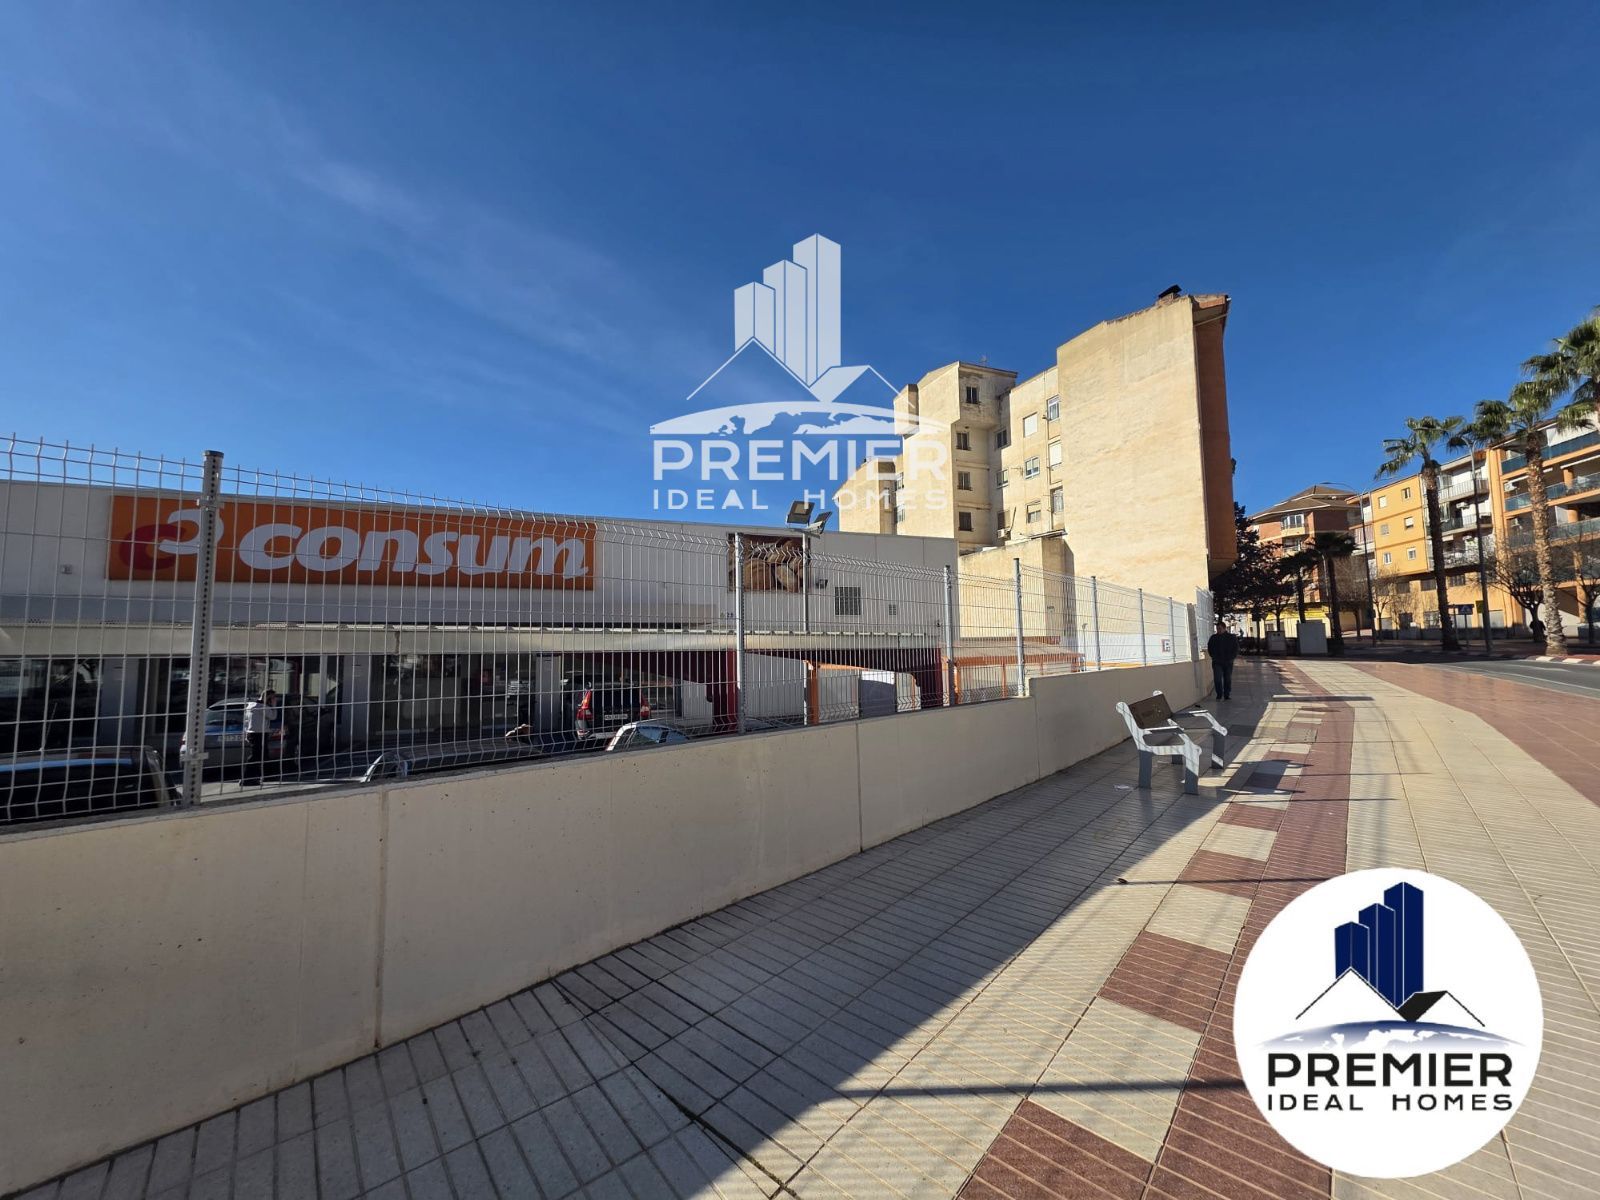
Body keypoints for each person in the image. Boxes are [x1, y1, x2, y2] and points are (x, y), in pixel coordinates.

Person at [242, 688, 280, 784]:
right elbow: (273, 717)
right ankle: (247, 779)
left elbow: (246, 721)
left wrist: (246, 733)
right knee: (255, 756)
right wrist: (274, 706)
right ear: (268, 697)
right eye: (273, 698)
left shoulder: (251, 705)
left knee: (264, 755)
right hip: (259, 733)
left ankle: (267, 776)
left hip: (252, 732)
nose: (274, 700)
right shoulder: (263, 707)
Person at [1207, 620, 1239, 700]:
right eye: (1217, 629)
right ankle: (1219, 694)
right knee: (1217, 679)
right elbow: (1210, 648)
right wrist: (1213, 656)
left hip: (1228, 662)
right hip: (1217, 662)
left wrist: (1231, 658)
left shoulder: (1231, 637)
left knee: (1227, 679)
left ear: (1225, 628)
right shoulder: (1213, 638)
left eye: (1220, 628)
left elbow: (1236, 649)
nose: (1218, 630)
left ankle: (1226, 694)